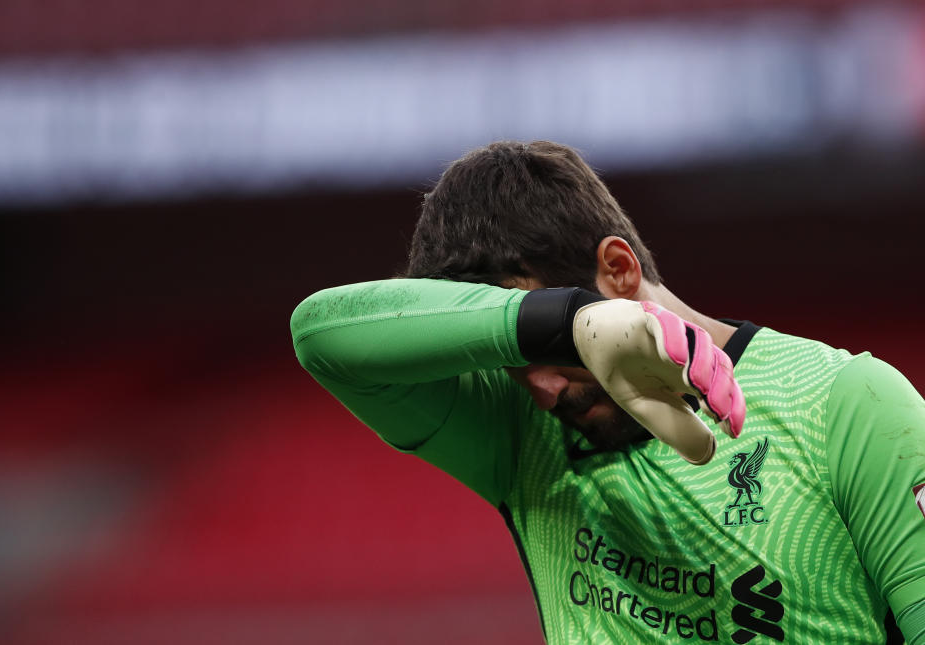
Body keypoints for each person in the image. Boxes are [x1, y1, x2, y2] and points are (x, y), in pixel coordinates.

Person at [291, 140, 925, 644]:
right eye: (519, 363)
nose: (541, 392)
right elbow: (321, 336)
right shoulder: (519, 431)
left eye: (551, 358)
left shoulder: (844, 402)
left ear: (618, 271)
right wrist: (558, 326)